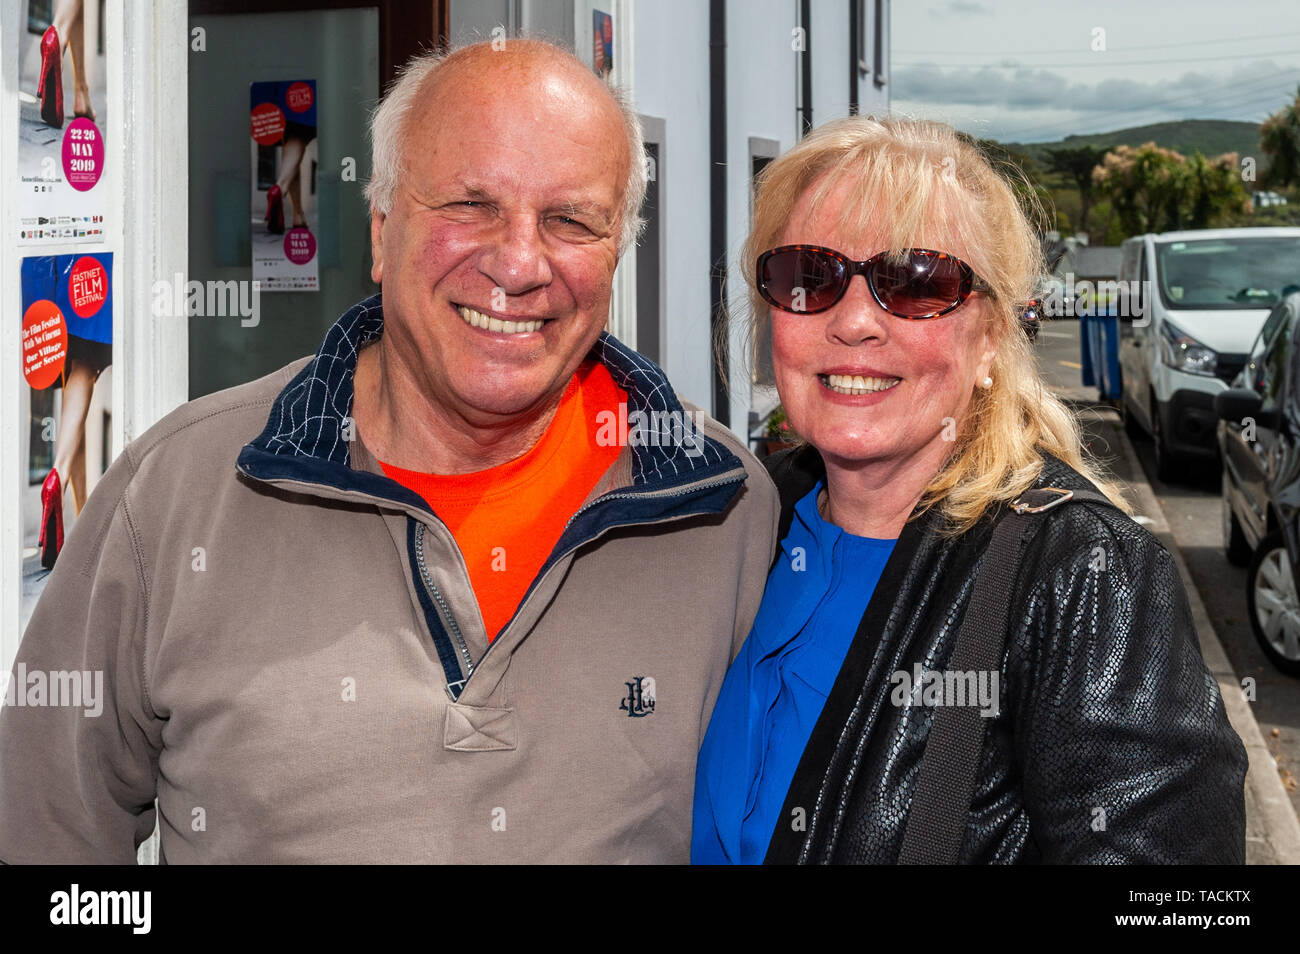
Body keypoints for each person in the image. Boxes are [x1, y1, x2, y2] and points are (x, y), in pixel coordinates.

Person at [0, 39, 778, 864]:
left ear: (615, 253)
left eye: (570, 219)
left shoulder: (725, 508)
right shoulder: (174, 495)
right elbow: (45, 843)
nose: (518, 263)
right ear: (381, 232)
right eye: (470, 205)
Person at [692, 116, 1248, 864]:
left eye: (917, 283)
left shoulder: (1085, 574)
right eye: (810, 276)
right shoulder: (750, 518)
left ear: (989, 337)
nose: (854, 320)